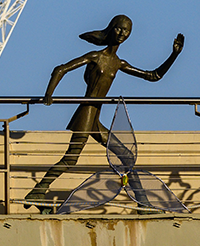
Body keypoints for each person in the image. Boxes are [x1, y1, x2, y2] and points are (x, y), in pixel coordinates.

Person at [24, 15, 184, 212]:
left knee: (125, 156)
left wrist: (174, 55)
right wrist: (49, 94)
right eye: (119, 29)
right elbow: (60, 69)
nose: (122, 34)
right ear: (111, 29)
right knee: (71, 158)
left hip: (95, 116)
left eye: (127, 31)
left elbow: (153, 76)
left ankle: (143, 203)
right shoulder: (95, 56)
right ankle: (38, 190)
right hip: (86, 113)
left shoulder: (118, 63)